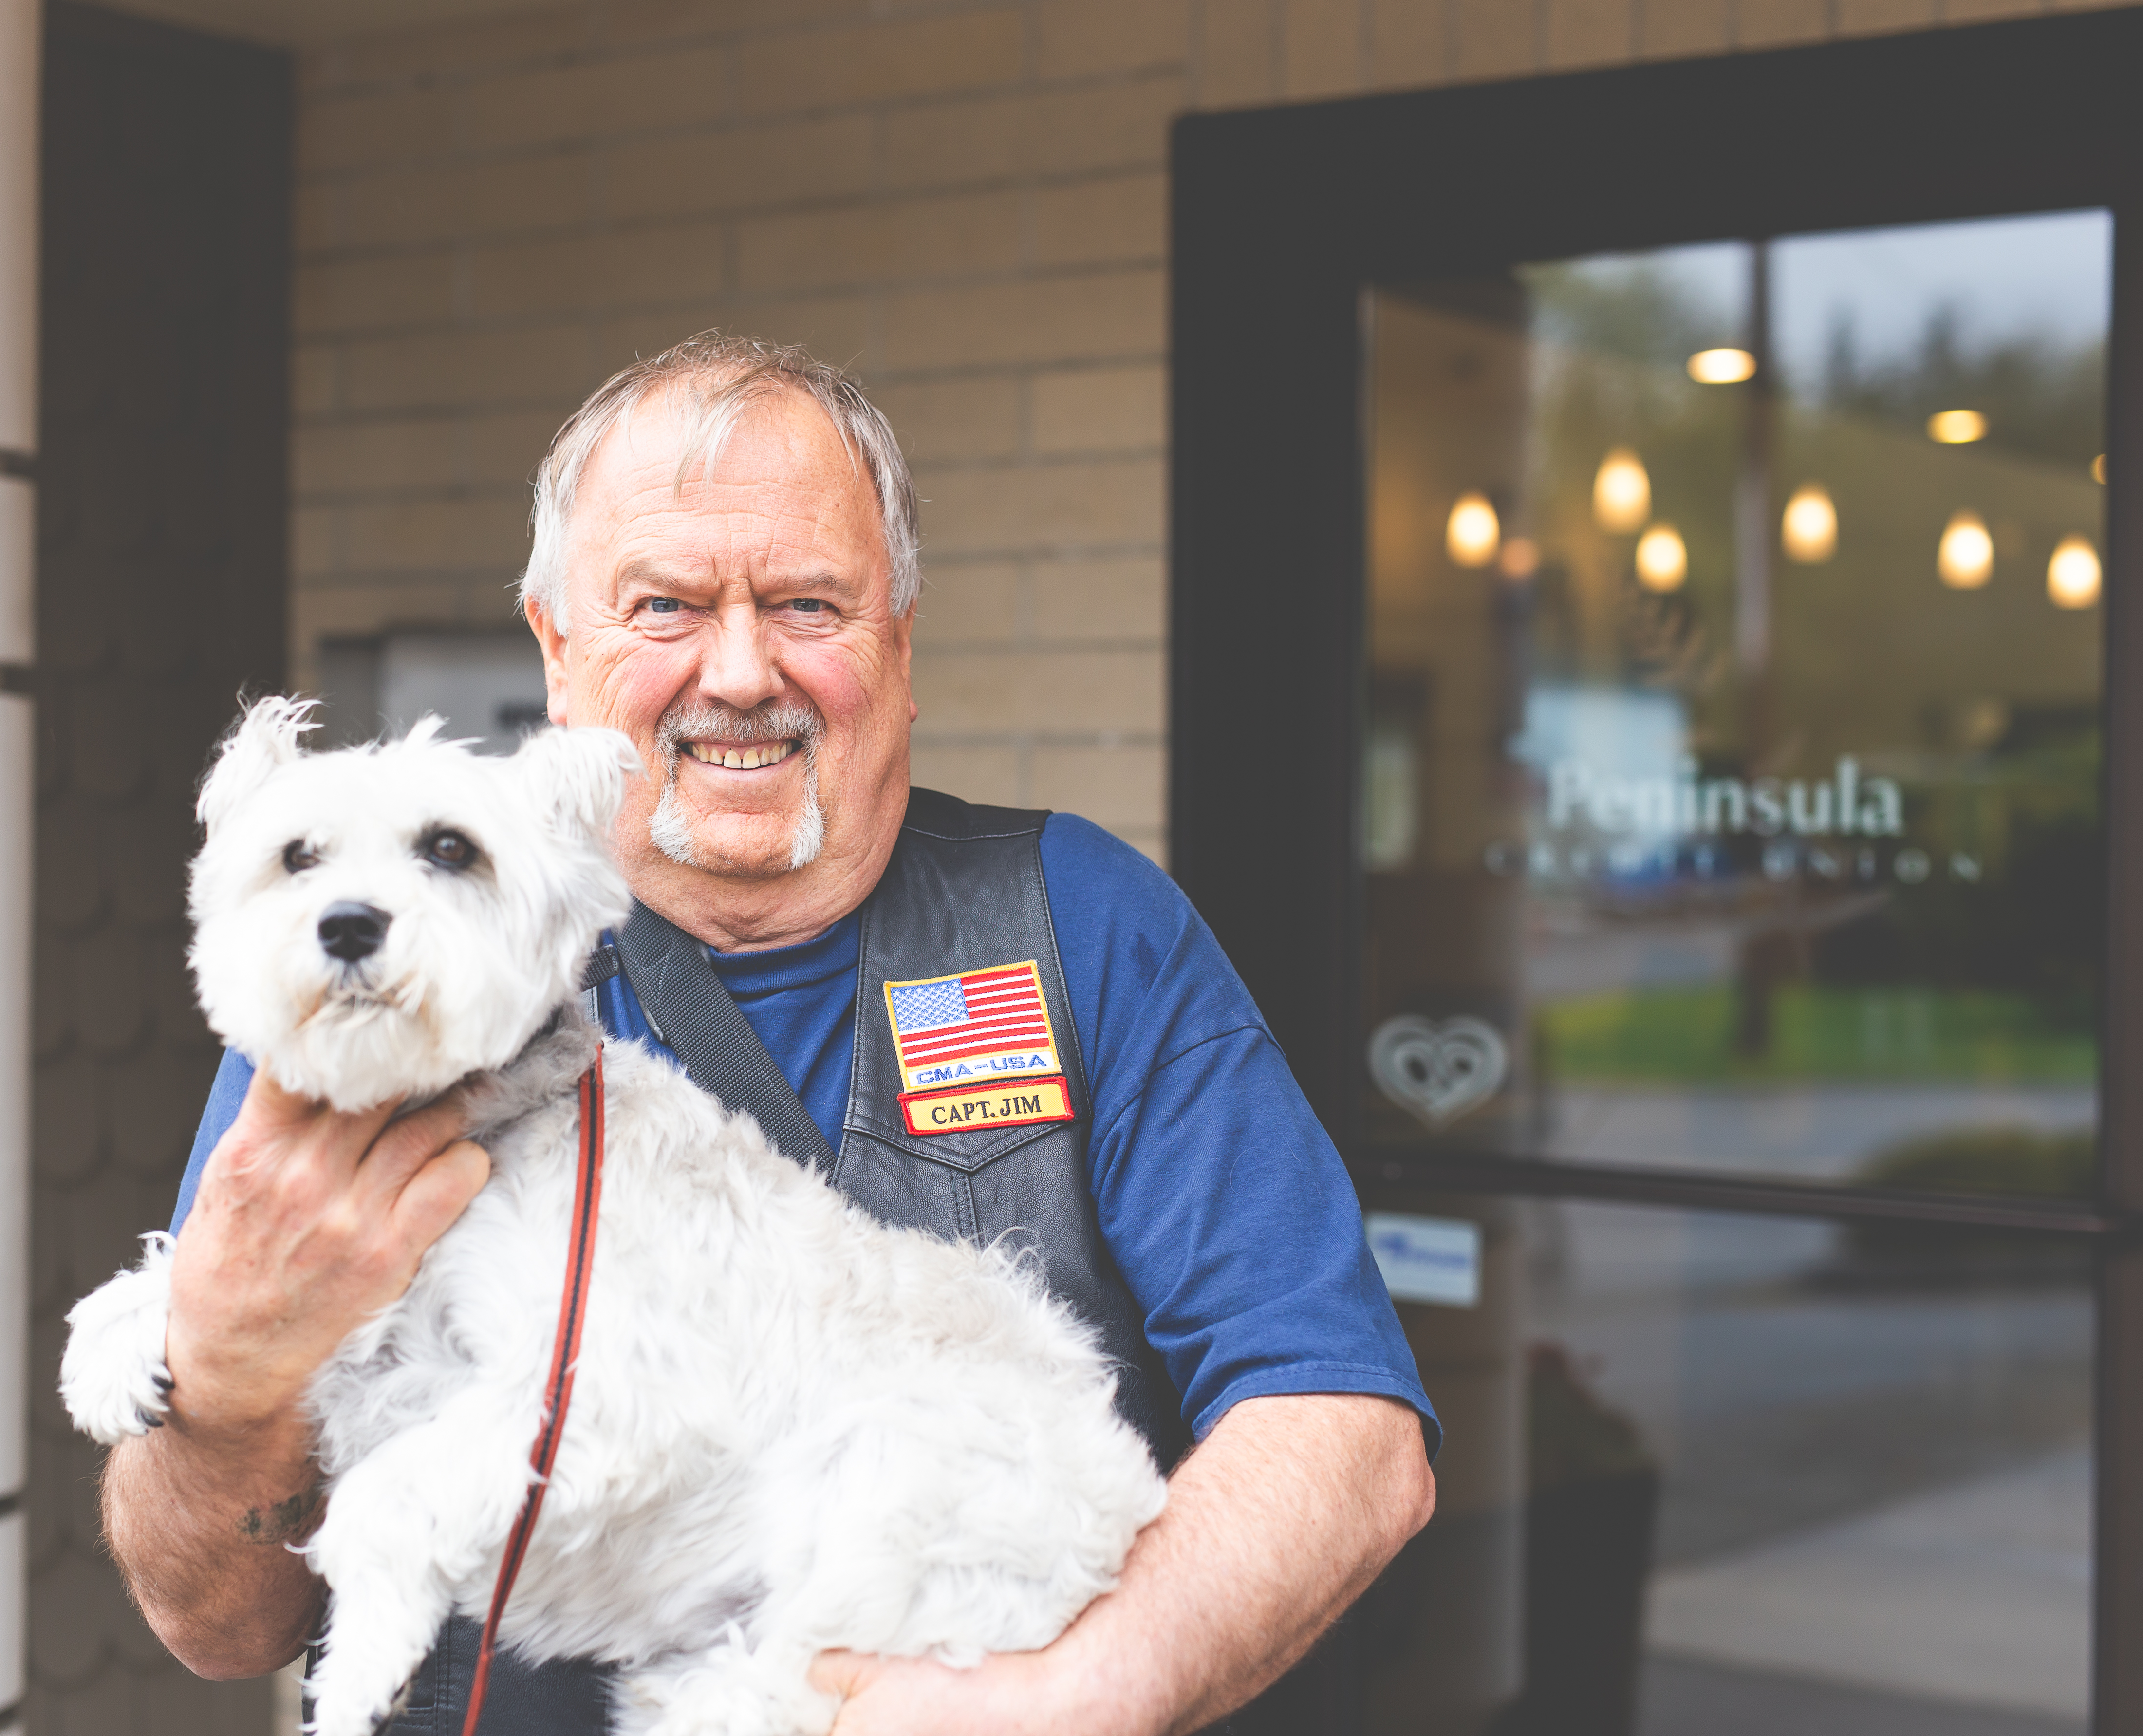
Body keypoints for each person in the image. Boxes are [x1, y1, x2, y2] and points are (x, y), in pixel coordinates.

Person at [102, 333, 1437, 1736]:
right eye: (665, 606)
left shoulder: (1085, 927)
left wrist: (1084, 1699)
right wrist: (227, 1389)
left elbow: (1344, 1428)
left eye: (808, 603)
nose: (739, 673)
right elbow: (217, 1623)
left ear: (901, 647)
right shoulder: (374, 994)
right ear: (559, 653)